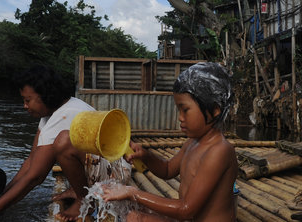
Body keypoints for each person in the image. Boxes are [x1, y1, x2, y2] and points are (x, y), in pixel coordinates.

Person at [102, 62, 238, 221]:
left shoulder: (219, 151)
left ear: (215, 110)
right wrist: (145, 156)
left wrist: (134, 193)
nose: (180, 117)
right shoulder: (192, 144)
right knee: (132, 211)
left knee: (134, 217)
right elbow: (167, 170)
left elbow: (186, 210)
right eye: (178, 110)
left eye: (185, 110)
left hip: (187, 214)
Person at [0, 65, 96, 222]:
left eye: (27, 100)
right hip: (95, 169)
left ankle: (86, 201)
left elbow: (35, 176)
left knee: (64, 142)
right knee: (60, 144)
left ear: (45, 95)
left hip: (109, 175)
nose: (25, 106)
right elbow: (31, 161)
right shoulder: (50, 115)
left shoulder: (66, 114)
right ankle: (80, 191)